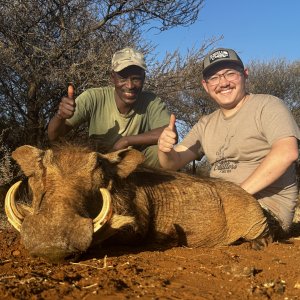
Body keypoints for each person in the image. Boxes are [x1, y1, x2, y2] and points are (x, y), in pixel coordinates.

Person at [158, 47, 300, 238]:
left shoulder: (268, 105)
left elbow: (287, 153)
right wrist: (165, 149)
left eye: (230, 74)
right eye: (214, 78)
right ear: (205, 85)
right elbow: (171, 164)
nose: (223, 82)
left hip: (263, 209)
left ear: (245, 74)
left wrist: (234, 196)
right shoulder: (205, 123)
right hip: (219, 205)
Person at [47, 47, 170, 168]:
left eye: (136, 79)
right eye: (123, 78)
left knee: (160, 152)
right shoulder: (93, 97)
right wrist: (60, 116)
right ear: (112, 77)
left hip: (133, 167)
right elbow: (54, 136)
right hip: (98, 166)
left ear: (144, 78)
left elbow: (170, 132)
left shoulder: (151, 101)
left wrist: (126, 141)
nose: (130, 85)